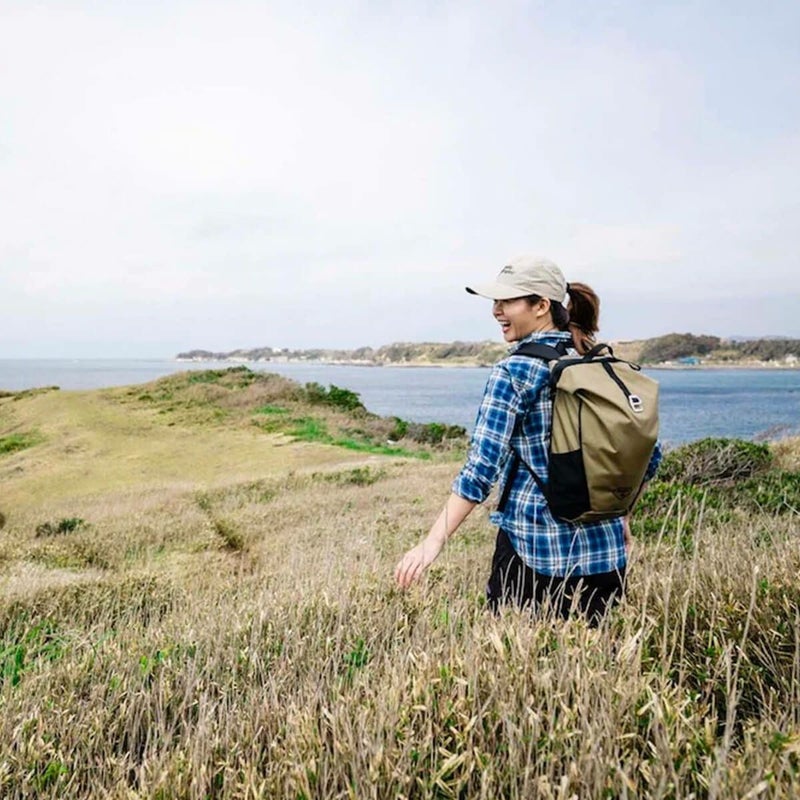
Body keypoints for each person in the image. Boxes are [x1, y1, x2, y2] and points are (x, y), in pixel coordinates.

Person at [394, 256, 662, 624]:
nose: (496, 311)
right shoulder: (597, 364)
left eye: (507, 301)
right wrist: (621, 516)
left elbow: (481, 469)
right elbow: (647, 454)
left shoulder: (516, 369)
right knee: (594, 657)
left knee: (518, 655)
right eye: (495, 301)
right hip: (605, 556)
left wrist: (432, 542)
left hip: (533, 553)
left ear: (541, 306)